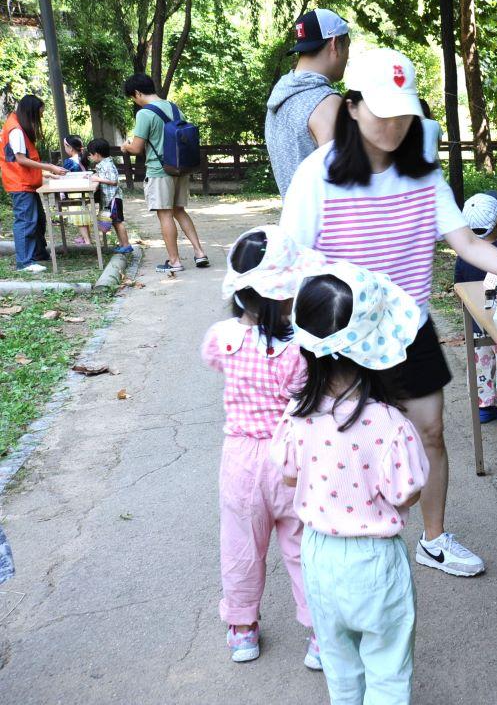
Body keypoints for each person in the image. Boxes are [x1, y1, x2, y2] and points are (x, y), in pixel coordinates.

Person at [280, 48, 497, 577]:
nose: (395, 125)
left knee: (430, 432)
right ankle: (334, 556)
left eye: (404, 113)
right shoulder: (317, 176)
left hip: (408, 328)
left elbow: (466, 242)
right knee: (340, 443)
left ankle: (434, 538)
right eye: (382, 111)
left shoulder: (422, 174)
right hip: (344, 338)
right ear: (352, 107)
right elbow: (289, 264)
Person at [271, 263, 428, 705]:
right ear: (376, 347)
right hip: (374, 560)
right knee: (388, 667)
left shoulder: (297, 417)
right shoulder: (391, 425)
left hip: (318, 555)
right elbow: (407, 493)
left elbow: (288, 475)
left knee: (341, 668)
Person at [201, 226, 325, 668]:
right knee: (301, 547)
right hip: (291, 460)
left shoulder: (223, 338)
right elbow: (304, 395)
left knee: (240, 546)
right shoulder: (298, 352)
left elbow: (211, 360)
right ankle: (318, 635)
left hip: (239, 459)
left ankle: (242, 629)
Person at [120, 73, 209, 273]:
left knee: (165, 214)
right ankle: (199, 252)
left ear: (137, 93)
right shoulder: (175, 108)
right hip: (180, 168)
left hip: (159, 171)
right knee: (179, 210)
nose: (135, 101)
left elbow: (137, 148)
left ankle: (174, 261)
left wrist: (125, 146)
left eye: (133, 98)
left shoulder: (144, 113)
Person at [455, 190, 497, 427]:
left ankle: (484, 406)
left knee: (482, 360)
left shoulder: (464, 255)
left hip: (476, 319)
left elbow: (459, 287)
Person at [265, 8, 350, 197]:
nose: (347, 58)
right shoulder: (328, 104)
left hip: (293, 222)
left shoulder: (278, 99)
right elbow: (345, 183)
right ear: (335, 43)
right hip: (329, 225)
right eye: (348, 47)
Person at [2, 94, 66, 273]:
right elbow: (21, 160)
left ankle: (38, 254)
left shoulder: (16, 125)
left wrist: (45, 174)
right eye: (39, 114)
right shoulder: (15, 129)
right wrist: (50, 167)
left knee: (38, 220)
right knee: (25, 222)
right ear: (30, 112)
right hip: (20, 184)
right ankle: (24, 262)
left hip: (27, 182)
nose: (40, 118)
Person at [85, 138, 133, 253]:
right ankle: (122, 244)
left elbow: (113, 181)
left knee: (118, 222)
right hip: (109, 198)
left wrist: (98, 178)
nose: (90, 157)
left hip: (113, 198)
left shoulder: (107, 165)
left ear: (96, 154)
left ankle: (126, 245)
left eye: (90, 155)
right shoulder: (103, 164)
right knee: (115, 222)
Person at [60, 135, 94, 246]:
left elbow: (64, 177)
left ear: (70, 148)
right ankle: (86, 238)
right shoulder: (83, 159)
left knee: (80, 219)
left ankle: (87, 241)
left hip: (74, 192)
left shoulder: (69, 162)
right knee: (84, 217)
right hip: (84, 191)